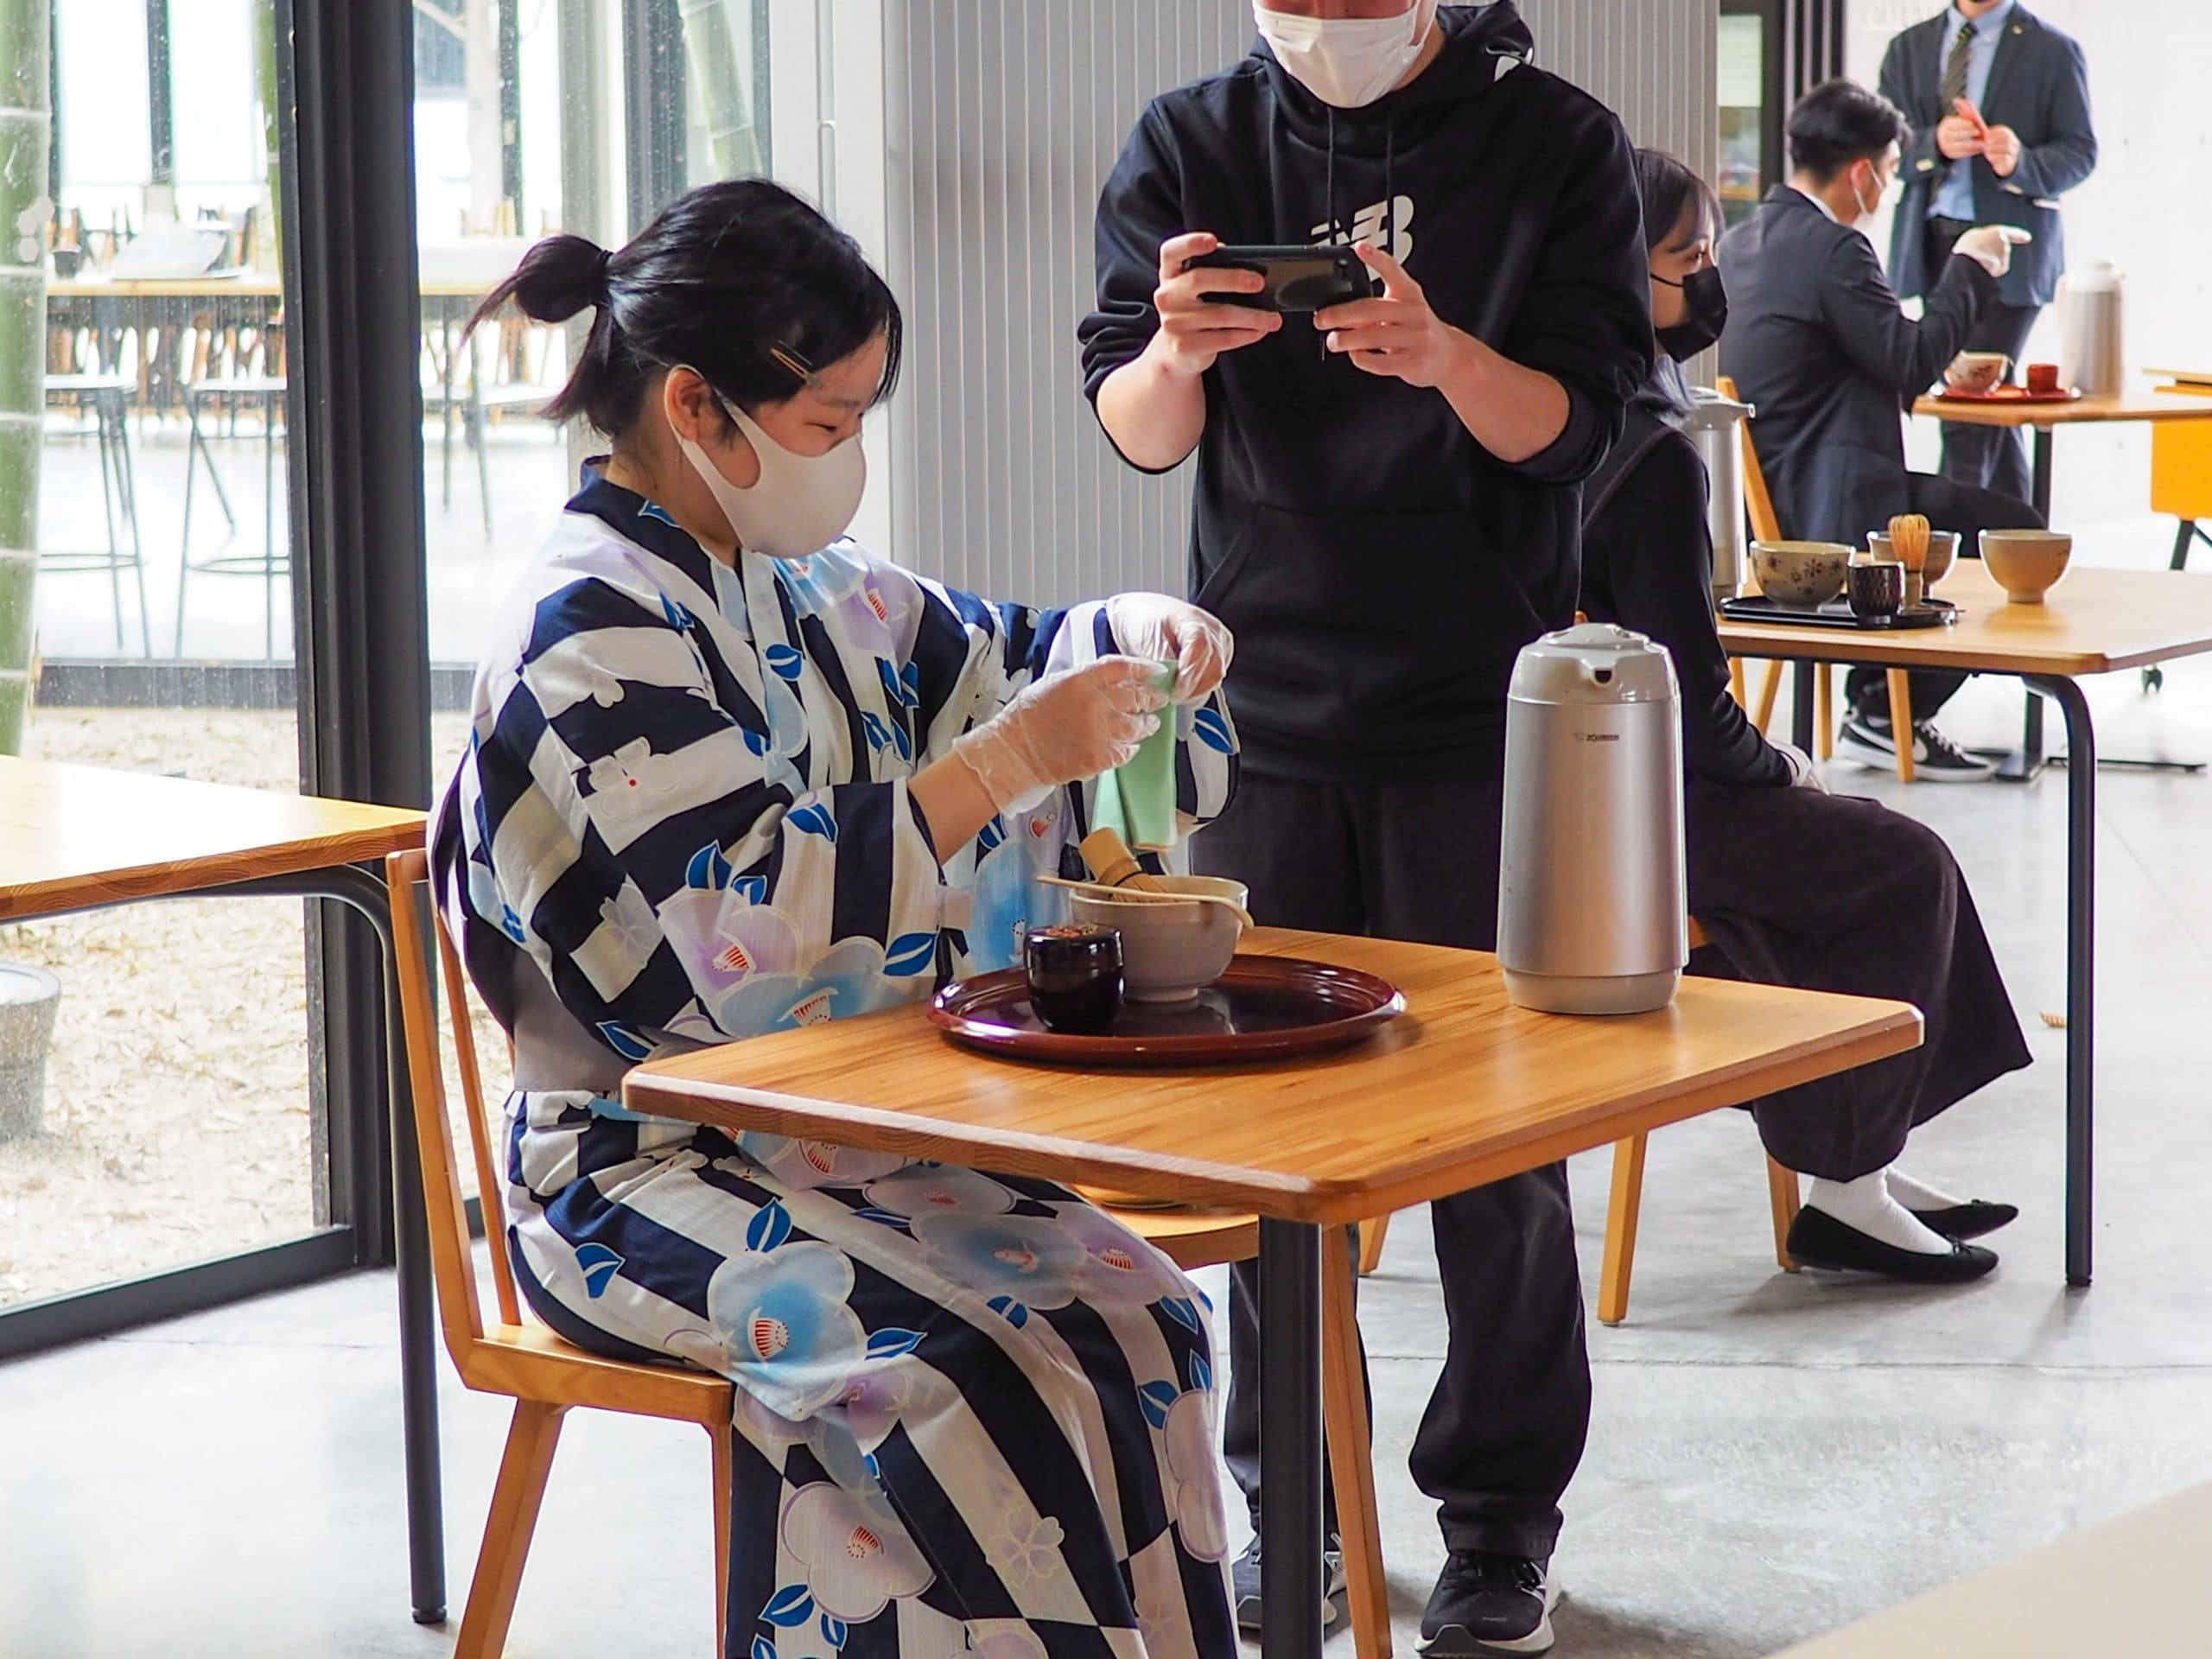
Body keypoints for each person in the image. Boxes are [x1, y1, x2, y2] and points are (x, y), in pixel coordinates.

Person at [430, 179, 1247, 1659]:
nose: (850, 456)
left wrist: (1139, 636)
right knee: (967, 1385)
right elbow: (739, 932)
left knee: (1143, 1321)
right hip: (636, 1162)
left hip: (832, 1129)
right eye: (828, 422)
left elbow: (1008, 653)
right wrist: (998, 771)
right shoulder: (584, 627)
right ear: (697, 406)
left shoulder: (800, 586)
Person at [1080, 3, 1650, 1653]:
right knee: (1268, 1147)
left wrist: (1445, 355)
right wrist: (1177, 354)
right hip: (1260, 701)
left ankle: (1497, 1523)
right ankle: (1296, 1512)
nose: (1323, 21)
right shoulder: (1194, 136)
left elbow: (1589, 426)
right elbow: (1132, 428)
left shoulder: (1557, 144)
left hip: (1487, 710)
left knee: (1501, 1147)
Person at [1582, 149, 2032, 1281]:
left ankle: (1863, 1165)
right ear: (1618, 271)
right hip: (1637, 811)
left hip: (1558, 796)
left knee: (1857, 857)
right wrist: (1783, 767)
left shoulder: (1552, 413)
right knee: (1900, 863)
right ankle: (1844, 1184)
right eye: (1689, 257)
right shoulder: (1645, 452)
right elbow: (1687, 702)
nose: (1711, 280)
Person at [1718, 78, 2046, 783]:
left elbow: (1862, 351)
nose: (1889, 190)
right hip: (1834, 510)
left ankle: (1878, 700)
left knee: (1969, 518)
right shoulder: (1836, 250)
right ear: (1863, 172)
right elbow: (1908, 359)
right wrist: (1972, 266)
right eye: (1894, 173)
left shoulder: (1746, 241)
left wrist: (1941, 362)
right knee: (2013, 531)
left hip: (1770, 505)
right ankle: (1881, 705)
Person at [1880, 0, 2096, 501]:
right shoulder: (1909, 47)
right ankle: (2019, 539)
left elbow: (2080, 153)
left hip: (2012, 251)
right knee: (1990, 407)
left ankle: (1956, 542)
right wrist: (1932, 142)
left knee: (1969, 406)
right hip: (1932, 245)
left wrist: (2022, 162)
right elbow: (1883, 148)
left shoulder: (2053, 50)